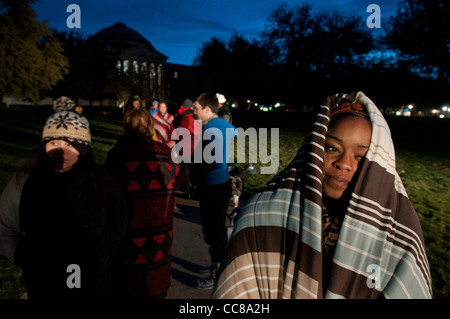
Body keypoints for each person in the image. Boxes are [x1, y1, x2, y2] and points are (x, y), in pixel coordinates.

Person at [212, 91, 432, 299]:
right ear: (314, 149)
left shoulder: (400, 234)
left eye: (361, 157)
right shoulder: (261, 214)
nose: (344, 164)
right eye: (332, 148)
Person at [0, 96, 128, 299]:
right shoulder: (26, 180)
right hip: (45, 282)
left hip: (93, 281)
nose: (62, 152)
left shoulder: (103, 179)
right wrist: (31, 257)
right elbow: (4, 228)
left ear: (84, 147)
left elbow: (118, 217)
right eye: (54, 143)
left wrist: (104, 249)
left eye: (71, 144)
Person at [105, 108, 183, 299]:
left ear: (126, 127)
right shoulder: (165, 154)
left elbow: (107, 191)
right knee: (156, 284)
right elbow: (178, 179)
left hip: (129, 234)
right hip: (159, 234)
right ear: (150, 127)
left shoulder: (117, 156)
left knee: (128, 288)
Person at [191, 92, 238, 289]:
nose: (194, 111)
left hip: (214, 185)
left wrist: (196, 164)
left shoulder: (211, 128)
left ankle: (217, 274)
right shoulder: (225, 125)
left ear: (207, 109)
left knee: (215, 230)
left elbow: (213, 161)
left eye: (196, 108)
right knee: (216, 229)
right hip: (221, 183)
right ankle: (216, 265)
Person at [172, 98, 201, 198]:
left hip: (184, 147)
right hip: (196, 147)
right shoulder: (197, 118)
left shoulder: (180, 118)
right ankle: (196, 190)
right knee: (195, 169)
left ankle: (188, 189)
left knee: (186, 170)